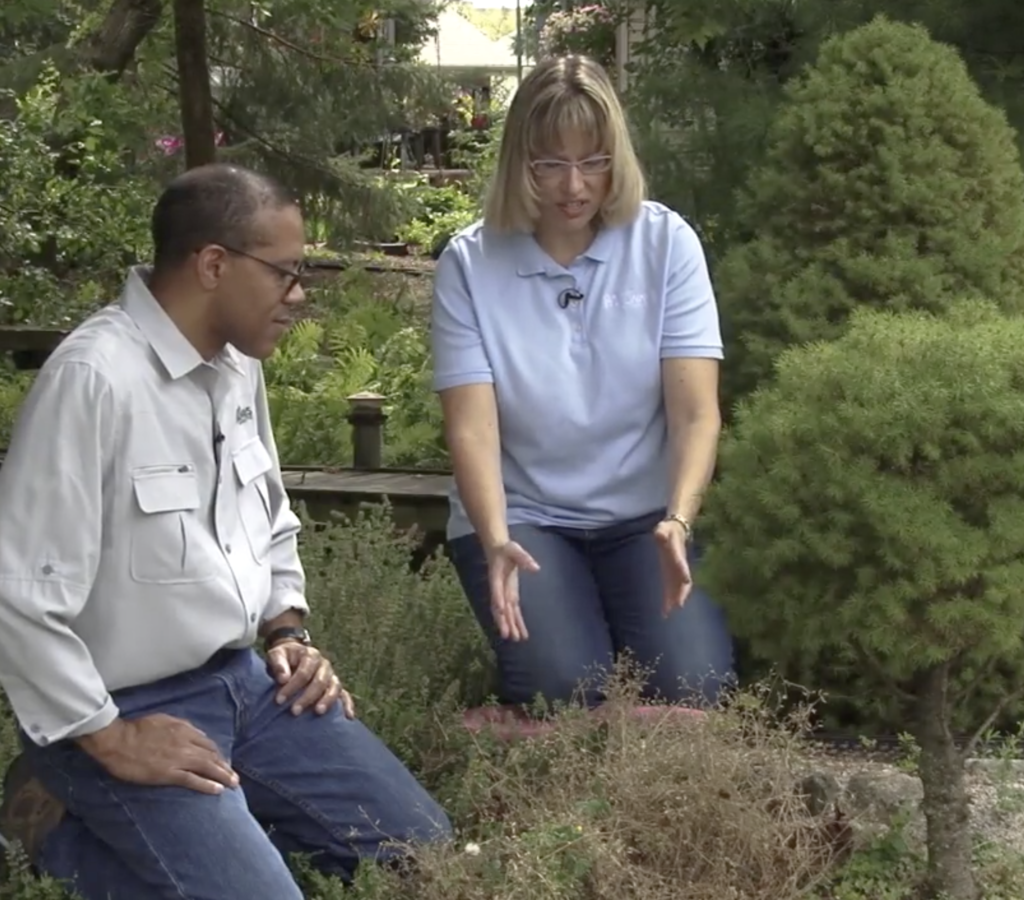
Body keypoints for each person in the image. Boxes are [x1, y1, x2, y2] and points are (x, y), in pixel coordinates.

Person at [0, 163, 451, 898]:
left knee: (421, 854)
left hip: (247, 685)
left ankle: (208, 831)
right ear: (213, 264)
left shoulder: (239, 368)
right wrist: (108, 737)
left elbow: (268, 520)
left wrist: (288, 632)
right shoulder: (95, 381)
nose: (299, 295)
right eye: (285, 273)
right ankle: (52, 821)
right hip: (125, 707)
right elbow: (18, 595)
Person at [431, 55, 735, 713]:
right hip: (524, 520)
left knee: (696, 687)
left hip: (645, 521)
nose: (574, 186)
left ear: (616, 159)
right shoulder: (470, 263)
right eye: (550, 164)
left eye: (593, 161)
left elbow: (695, 416)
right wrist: (493, 538)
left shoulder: (665, 245)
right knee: (566, 688)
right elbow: (471, 427)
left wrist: (679, 520)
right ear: (521, 163)